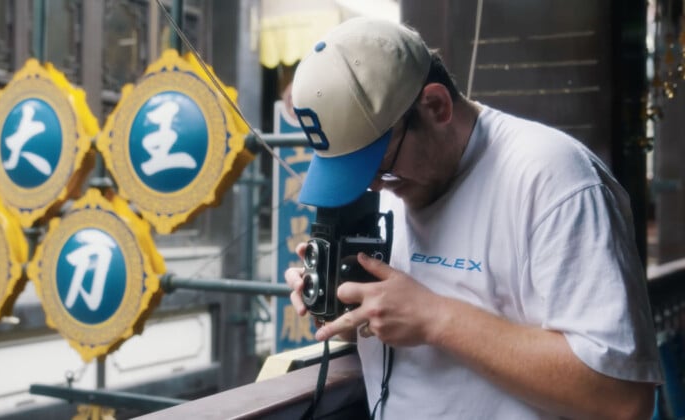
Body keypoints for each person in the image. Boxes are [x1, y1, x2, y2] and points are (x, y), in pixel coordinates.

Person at [283, 17, 662, 419]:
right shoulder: (401, 180)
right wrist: (343, 304)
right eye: (357, 174)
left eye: (380, 165)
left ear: (436, 106)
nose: (375, 187)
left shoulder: (552, 178)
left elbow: (623, 398)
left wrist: (436, 318)